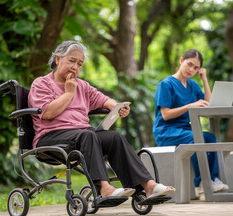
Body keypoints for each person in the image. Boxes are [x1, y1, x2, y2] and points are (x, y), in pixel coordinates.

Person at [28, 40, 175, 200]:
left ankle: (148, 186)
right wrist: (69, 93)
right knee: (88, 135)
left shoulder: (82, 86)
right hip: (51, 138)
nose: (75, 67)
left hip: (81, 136)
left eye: (79, 64)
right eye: (72, 61)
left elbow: (103, 99)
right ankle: (104, 189)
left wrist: (117, 107)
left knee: (114, 138)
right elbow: (48, 113)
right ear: (57, 59)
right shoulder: (41, 84)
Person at [152, 49, 228, 198]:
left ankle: (212, 179)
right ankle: (200, 184)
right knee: (197, 139)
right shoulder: (166, 84)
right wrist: (190, 105)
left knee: (210, 138)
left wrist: (204, 79)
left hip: (184, 130)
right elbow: (165, 115)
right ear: (181, 61)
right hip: (166, 131)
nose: (191, 70)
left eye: (196, 68)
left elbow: (209, 103)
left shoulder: (193, 85)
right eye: (189, 64)